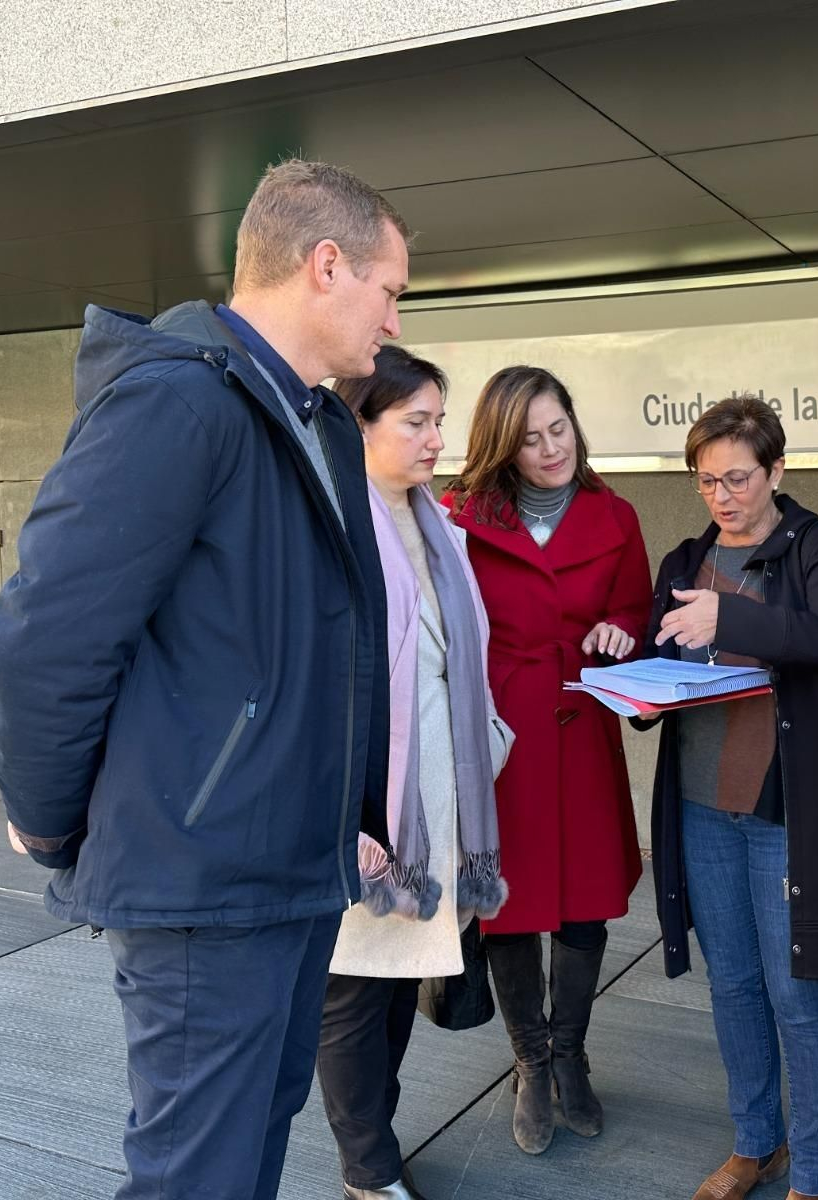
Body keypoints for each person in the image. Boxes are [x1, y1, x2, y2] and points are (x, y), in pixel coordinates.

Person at [0, 159, 408, 1200]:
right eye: (391, 289)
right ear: (325, 263)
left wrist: (349, 818)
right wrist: (46, 822)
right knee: (195, 1178)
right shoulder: (178, 401)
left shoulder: (318, 426)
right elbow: (45, 641)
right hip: (202, 884)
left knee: (248, 1152)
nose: (395, 320)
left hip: (292, 874)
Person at [642, 394, 818, 1200]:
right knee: (732, 982)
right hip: (702, 808)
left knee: (798, 992)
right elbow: (660, 656)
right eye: (707, 482)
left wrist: (732, 617)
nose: (722, 496)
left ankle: (815, 1171)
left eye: (737, 478)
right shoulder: (684, 559)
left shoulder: (815, 546)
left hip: (784, 812)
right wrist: (623, 664)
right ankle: (756, 1144)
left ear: (776, 469)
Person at [317, 347, 514, 1200]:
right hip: (368, 805)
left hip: (439, 804)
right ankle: (367, 1169)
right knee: (355, 996)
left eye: (440, 419)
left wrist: (489, 737)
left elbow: (457, 660)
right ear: (359, 424)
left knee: (400, 988)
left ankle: (376, 1145)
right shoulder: (329, 529)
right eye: (416, 422)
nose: (439, 437)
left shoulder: (440, 527)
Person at [442, 365, 649, 1156]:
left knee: (585, 902)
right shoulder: (459, 516)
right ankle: (529, 1061)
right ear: (501, 445)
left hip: (582, 723)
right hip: (502, 734)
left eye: (558, 428)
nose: (550, 448)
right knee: (510, 901)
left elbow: (634, 604)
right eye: (529, 439)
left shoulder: (615, 514)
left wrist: (622, 629)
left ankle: (570, 1052)